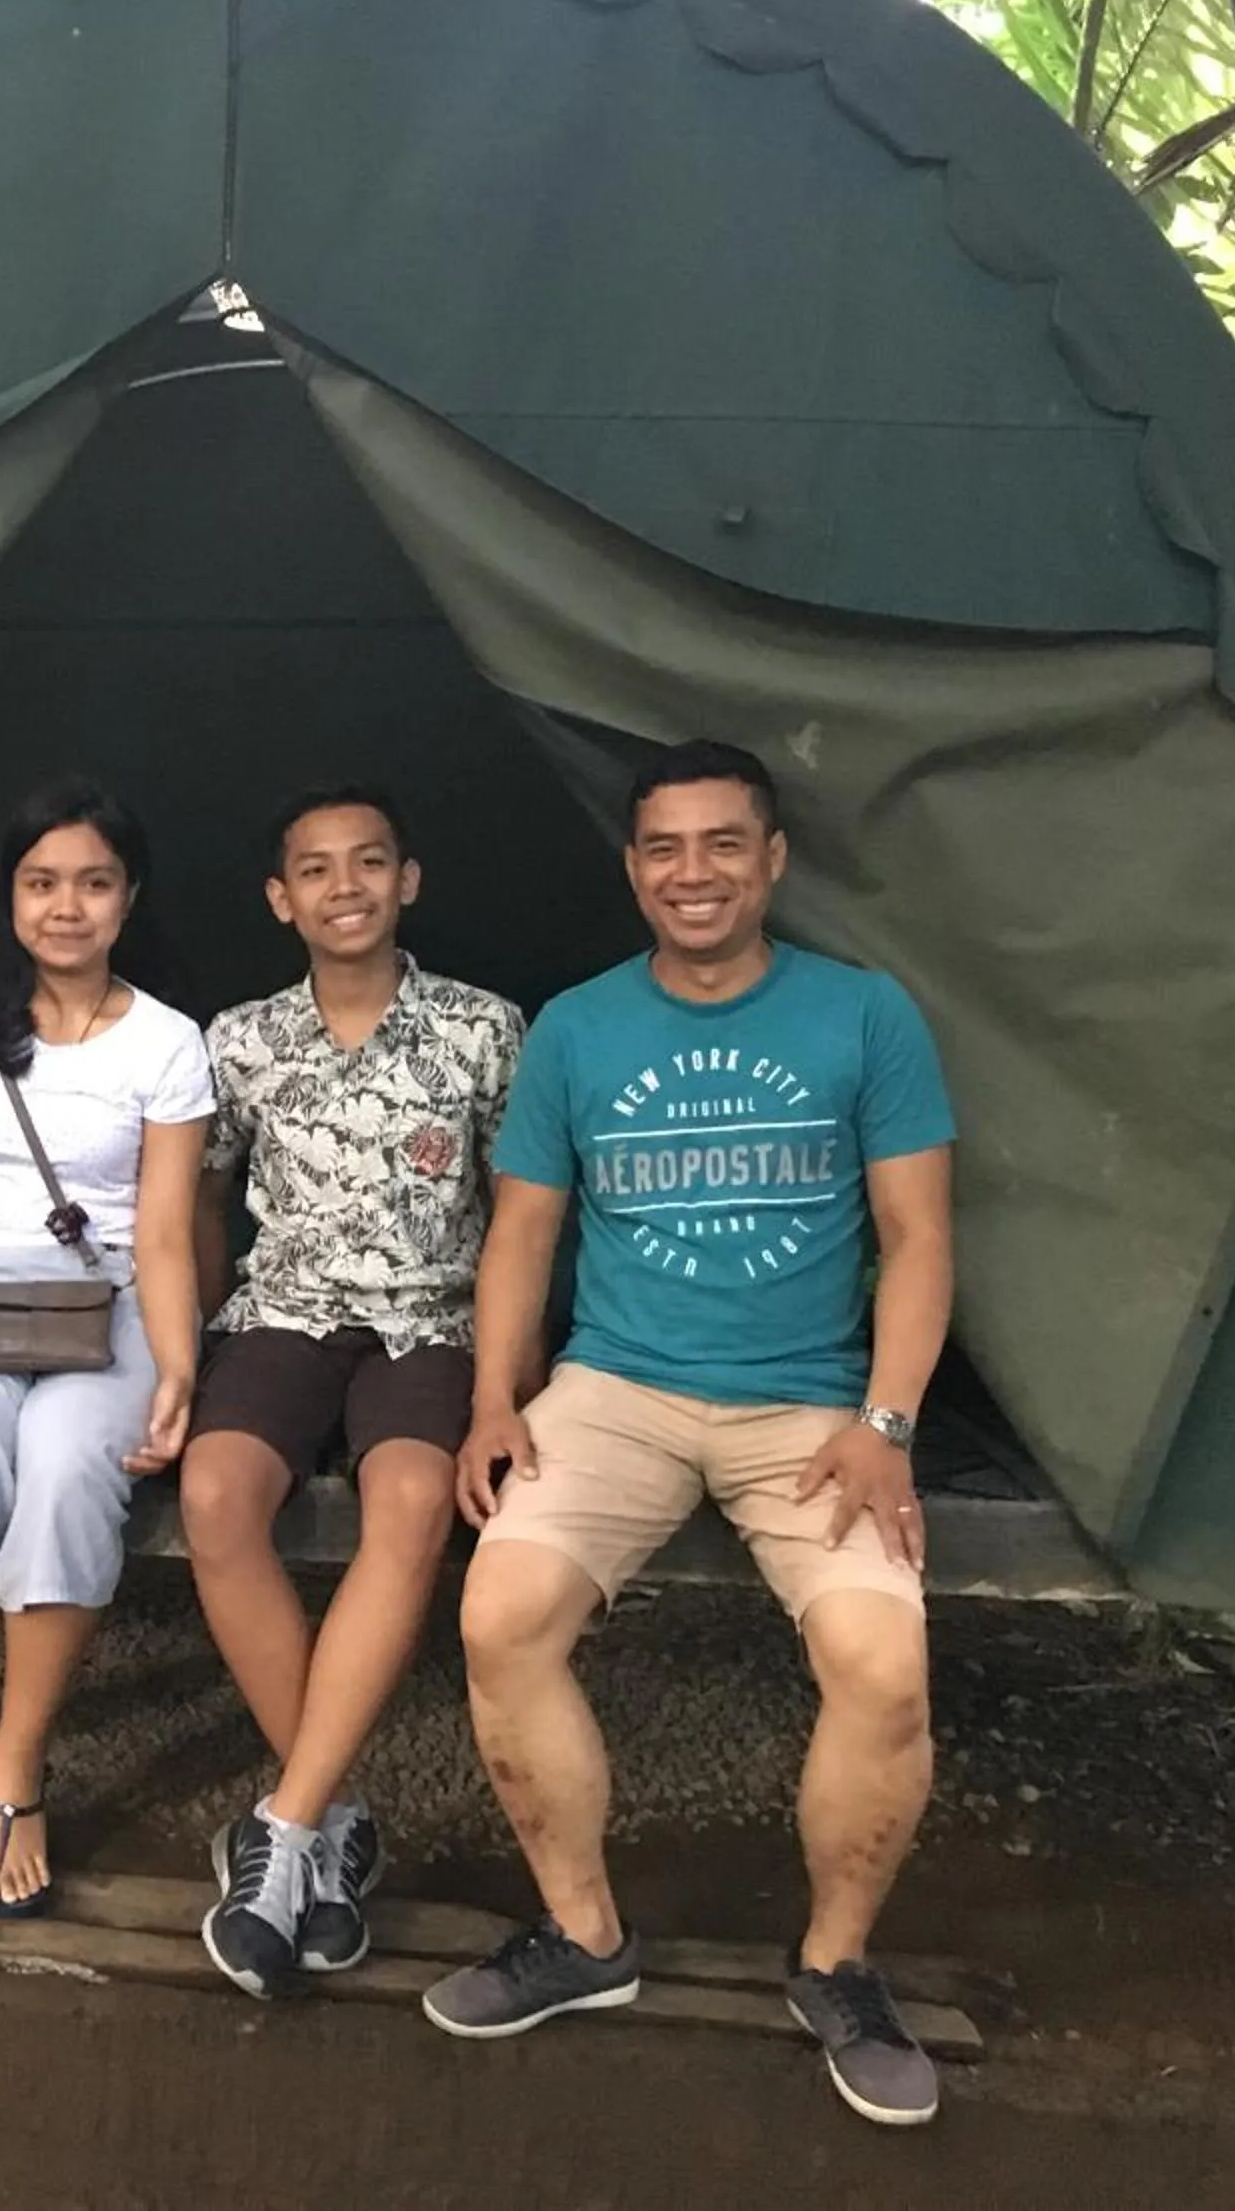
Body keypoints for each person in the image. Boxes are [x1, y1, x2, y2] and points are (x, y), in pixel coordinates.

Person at [422, 739, 957, 2130]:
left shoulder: (863, 1014)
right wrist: (496, 1397)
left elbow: (917, 1236)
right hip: (617, 1389)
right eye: (665, 846)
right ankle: (585, 1935)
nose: (693, 871)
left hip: (810, 1402)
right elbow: (523, 1231)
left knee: (883, 1663)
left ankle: (838, 1965)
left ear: (773, 859)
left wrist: (888, 1422)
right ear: (632, 869)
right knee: (500, 1613)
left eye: (725, 842)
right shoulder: (581, 1028)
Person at [182, 787, 524, 1996]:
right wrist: (190, 1351)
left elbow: (525, 1213)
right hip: (282, 1315)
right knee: (216, 1495)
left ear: (408, 879)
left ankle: (279, 1830)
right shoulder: (240, 1039)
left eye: (369, 862)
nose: (345, 887)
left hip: (428, 1326)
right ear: (282, 900)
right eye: (316, 871)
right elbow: (205, 1207)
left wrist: (512, 1375)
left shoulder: (486, 1031)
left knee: (415, 1502)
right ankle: (328, 1831)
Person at [0, 781, 213, 1921]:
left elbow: (163, 1233)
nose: (66, 907)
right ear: (10, 893)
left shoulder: (169, 1042)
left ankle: (15, 1768)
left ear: (129, 899)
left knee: (72, 1467)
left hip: (102, 1303)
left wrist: (175, 1369)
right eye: (42, 881)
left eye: (94, 882)